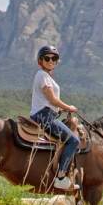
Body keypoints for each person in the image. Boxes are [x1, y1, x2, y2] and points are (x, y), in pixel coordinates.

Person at [29, 45, 80, 190]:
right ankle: (61, 177)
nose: (51, 61)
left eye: (54, 58)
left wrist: (60, 110)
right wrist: (68, 107)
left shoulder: (47, 76)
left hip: (49, 114)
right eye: (47, 58)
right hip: (44, 116)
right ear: (40, 61)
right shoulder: (42, 75)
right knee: (73, 141)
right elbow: (51, 99)